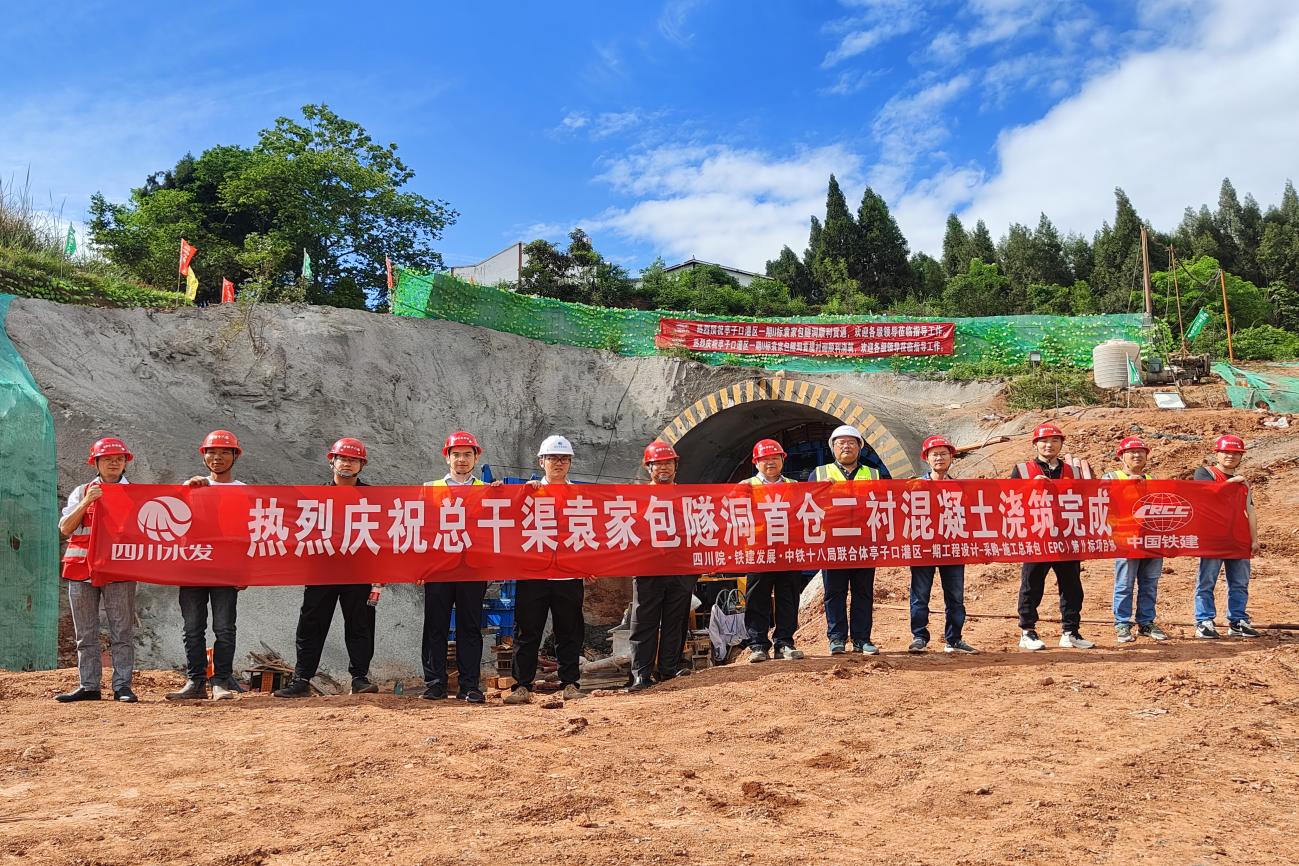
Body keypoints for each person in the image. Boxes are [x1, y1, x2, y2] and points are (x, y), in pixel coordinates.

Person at [274, 438, 380, 698]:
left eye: (353, 460)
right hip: (321, 571)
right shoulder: (314, 497)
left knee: (361, 625)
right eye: (342, 458)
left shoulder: (375, 498)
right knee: (311, 623)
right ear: (332, 461)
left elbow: (385, 537)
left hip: (359, 572)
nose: (347, 464)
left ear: (362, 465)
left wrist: (383, 572)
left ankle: (359, 678)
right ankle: (301, 679)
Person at [504, 435, 587, 705]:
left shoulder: (580, 495)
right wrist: (520, 494)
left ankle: (570, 683)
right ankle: (522, 686)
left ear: (570, 462)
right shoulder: (530, 493)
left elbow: (592, 531)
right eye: (552, 458)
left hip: (569, 575)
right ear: (542, 461)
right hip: (534, 575)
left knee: (569, 632)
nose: (558, 463)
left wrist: (591, 565)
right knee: (527, 632)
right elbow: (507, 520)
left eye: (564, 459)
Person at [55, 437, 139, 703]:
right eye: (108, 459)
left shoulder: (137, 495)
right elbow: (65, 528)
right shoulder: (82, 492)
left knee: (122, 631)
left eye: (119, 459)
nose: (114, 463)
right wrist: (86, 503)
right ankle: (89, 686)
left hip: (118, 570)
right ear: (96, 463)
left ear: (125, 463)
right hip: (82, 569)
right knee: (85, 633)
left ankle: (122, 686)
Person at [166, 430, 247, 701]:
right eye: (212, 452)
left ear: (235, 456)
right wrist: (187, 490)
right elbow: (175, 520)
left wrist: (245, 571)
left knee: (224, 627)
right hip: (193, 566)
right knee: (192, 627)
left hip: (225, 570)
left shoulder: (244, 491)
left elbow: (248, 534)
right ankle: (195, 681)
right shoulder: (192, 487)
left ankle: (220, 681)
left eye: (224, 452)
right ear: (204, 456)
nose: (217, 457)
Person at [419, 431, 498, 705]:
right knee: (435, 626)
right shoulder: (429, 489)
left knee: (470, 627)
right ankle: (435, 684)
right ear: (447, 457)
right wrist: (418, 568)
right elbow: (420, 528)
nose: (461, 459)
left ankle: (469, 686)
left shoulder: (488, 490)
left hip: (473, 569)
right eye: (456, 454)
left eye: (467, 454)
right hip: (438, 568)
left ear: (476, 458)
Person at [1009, 423, 1095, 651]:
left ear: (1061, 444)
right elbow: (1009, 500)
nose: (1049, 445)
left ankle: (1070, 632)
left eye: (1055, 440)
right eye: (1044, 441)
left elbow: (1087, 499)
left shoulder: (1074, 471)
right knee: (1032, 585)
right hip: (1037, 537)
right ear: (1035, 444)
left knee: (1072, 586)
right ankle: (1027, 631)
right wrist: (1030, 487)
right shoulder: (1022, 470)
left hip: (1067, 537)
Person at [627, 440, 697, 691]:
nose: (664, 468)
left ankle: (669, 668)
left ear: (676, 466)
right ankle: (641, 674)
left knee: (675, 620)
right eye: (658, 464)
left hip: (680, 568)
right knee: (644, 621)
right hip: (648, 568)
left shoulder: (688, 497)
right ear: (649, 468)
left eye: (668, 463)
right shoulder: (636, 498)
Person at [812, 425, 880, 655]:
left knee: (863, 592)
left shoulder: (874, 474)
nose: (846, 447)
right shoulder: (819, 474)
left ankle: (862, 639)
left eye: (852, 442)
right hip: (833, 544)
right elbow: (804, 504)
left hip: (864, 544)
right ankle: (837, 638)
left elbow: (886, 503)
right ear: (833, 448)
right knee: (834, 593)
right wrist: (820, 490)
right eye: (841, 443)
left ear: (860, 447)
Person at [908, 436, 977, 654]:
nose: (939, 458)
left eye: (943, 454)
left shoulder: (959, 487)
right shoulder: (916, 486)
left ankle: (954, 639)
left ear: (951, 457)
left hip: (952, 548)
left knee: (955, 597)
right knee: (920, 596)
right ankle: (919, 637)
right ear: (926, 458)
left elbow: (970, 517)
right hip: (924, 549)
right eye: (934, 454)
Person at [744, 438, 806, 663]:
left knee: (788, 597)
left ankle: (785, 643)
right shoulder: (746, 486)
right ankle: (758, 645)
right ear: (756, 462)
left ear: (782, 460)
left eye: (775, 458)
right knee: (757, 598)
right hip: (758, 551)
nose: (770, 462)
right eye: (765, 459)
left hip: (788, 550)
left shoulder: (794, 485)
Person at [1193, 434, 1260, 639]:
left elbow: (1249, 510)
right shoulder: (1205, 473)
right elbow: (1206, 495)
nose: (1230, 456)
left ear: (1241, 456)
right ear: (1217, 453)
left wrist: (1254, 539)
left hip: (1238, 538)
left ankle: (1238, 620)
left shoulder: (1243, 483)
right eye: (1226, 452)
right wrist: (1232, 483)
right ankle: (1204, 621)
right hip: (1213, 539)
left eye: (1235, 453)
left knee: (1239, 582)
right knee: (1206, 582)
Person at [1103, 437, 1169, 643]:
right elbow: (1100, 500)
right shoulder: (1111, 477)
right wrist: (1126, 486)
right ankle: (1122, 623)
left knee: (1150, 583)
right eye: (1131, 452)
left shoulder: (1151, 479)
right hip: (1125, 539)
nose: (1137, 455)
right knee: (1125, 583)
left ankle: (1146, 622)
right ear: (1121, 456)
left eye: (1141, 452)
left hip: (1151, 539)